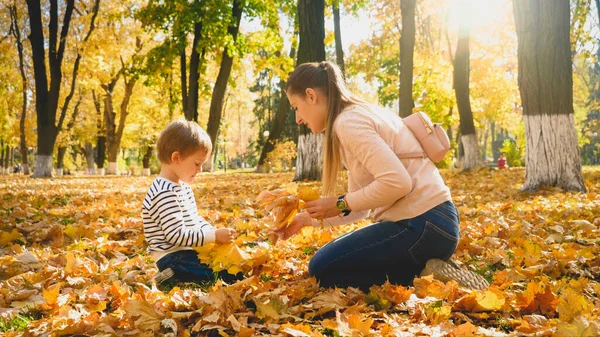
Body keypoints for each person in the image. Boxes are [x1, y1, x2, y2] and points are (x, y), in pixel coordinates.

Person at [274, 61, 488, 291]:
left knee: (323, 267)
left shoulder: (348, 123)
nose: (297, 119)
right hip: (435, 225)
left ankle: (422, 278)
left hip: (422, 225)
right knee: (325, 260)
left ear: (311, 96)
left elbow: (398, 183)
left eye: (296, 107)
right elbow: (362, 206)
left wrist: (340, 202)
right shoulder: (356, 116)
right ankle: (428, 270)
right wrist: (304, 220)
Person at [142, 119, 241, 284]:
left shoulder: (182, 186)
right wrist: (214, 236)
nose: (200, 170)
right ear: (176, 158)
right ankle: (172, 275)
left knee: (229, 263)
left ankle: (180, 274)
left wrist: (213, 231)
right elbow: (176, 236)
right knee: (224, 273)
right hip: (171, 256)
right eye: (197, 163)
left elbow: (193, 221)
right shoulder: (164, 192)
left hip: (186, 251)